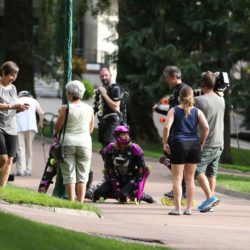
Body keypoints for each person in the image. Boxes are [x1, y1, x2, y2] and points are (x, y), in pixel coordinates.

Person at [163, 85, 209, 215]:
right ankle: (189, 209)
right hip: (193, 145)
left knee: (177, 178)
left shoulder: (173, 110)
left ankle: (177, 208)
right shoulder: (197, 111)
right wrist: (201, 142)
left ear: (179, 97)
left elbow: (167, 127)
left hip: (178, 144)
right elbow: (206, 128)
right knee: (190, 179)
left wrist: (165, 142)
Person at [54, 80, 94, 203]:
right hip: (85, 143)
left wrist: (59, 114)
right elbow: (90, 129)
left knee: (69, 174)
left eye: (67, 92)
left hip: (68, 143)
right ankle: (80, 202)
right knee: (83, 175)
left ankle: (71, 201)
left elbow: (57, 128)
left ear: (70, 94)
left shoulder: (66, 108)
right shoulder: (89, 108)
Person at [93, 125, 154, 204]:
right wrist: (114, 183)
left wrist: (139, 187)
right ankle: (121, 193)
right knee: (97, 194)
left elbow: (141, 169)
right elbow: (109, 168)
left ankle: (141, 195)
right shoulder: (111, 148)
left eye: (127, 134)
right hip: (118, 177)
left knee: (122, 196)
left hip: (132, 178)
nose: (126, 136)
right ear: (117, 136)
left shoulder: (135, 148)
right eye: (123, 134)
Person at [153, 66, 188, 199]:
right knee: (168, 159)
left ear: (173, 77)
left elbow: (185, 110)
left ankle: (181, 190)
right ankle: (179, 188)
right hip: (174, 130)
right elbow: (171, 111)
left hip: (180, 131)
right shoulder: (175, 90)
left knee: (173, 160)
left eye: (167, 78)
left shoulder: (184, 90)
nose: (166, 81)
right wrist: (158, 110)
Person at [194, 71, 225, 213]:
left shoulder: (200, 100)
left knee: (197, 170)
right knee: (212, 173)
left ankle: (210, 198)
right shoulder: (221, 99)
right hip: (219, 142)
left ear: (202, 84)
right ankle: (210, 202)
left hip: (207, 142)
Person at [0, 61, 29, 187]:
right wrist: (13, 106)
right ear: (3, 73)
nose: (14, 77)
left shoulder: (13, 88)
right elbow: (9, 105)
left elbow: (13, 106)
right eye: (12, 74)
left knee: (10, 160)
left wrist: (19, 108)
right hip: (0, 127)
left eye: (16, 74)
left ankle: (2, 189)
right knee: (3, 158)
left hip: (11, 127)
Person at [95, 67, 126, 151]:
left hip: (114, 122)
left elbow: (116, 107)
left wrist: (104, 94)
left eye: (106, 75)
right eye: (102, 76)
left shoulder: (115, 88)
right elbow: (96, 107)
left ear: (111, 75)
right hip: (103, 123)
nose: (104, 77)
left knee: (109, 150)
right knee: (104, 150)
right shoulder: (102, 89)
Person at [15, 90, 44, 176]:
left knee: (20, 148)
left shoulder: (16, 100)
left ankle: (20, 170)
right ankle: (28, 170)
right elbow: (41, 113)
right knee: (29, 147)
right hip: (31, 127)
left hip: (18, 126)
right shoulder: (34, 101)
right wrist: (41, 124)